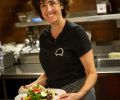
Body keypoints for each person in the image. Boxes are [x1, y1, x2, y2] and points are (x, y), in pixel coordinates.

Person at [18, 0, 97, 99]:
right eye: (43, 5)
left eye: (52, 3)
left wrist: (78, 95)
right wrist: (30, 87)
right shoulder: (44, 36)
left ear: (62, 5)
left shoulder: (76, 33)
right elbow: (51, 73)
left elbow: (92, 73)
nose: (48, 9)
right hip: (57, 95)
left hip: (79, 93)